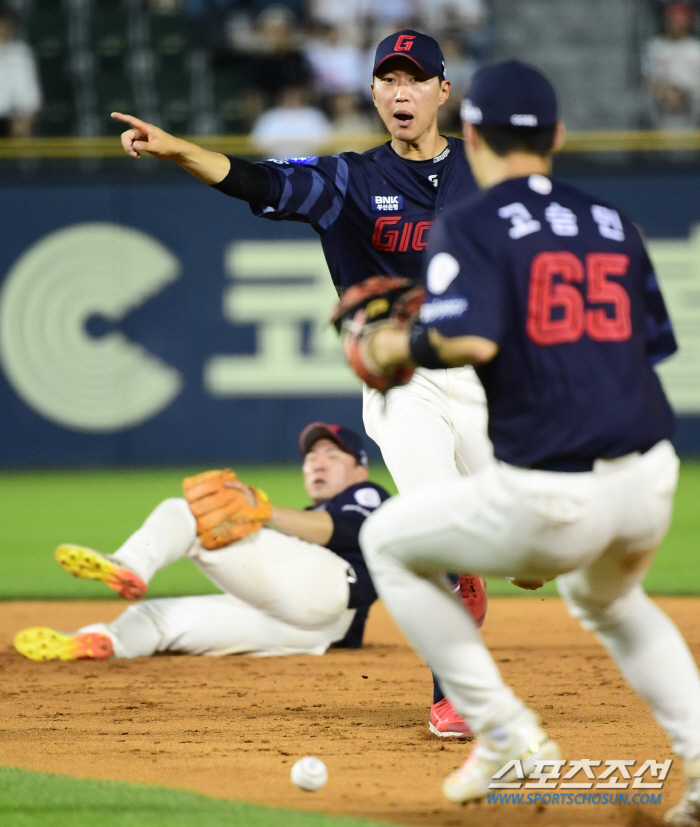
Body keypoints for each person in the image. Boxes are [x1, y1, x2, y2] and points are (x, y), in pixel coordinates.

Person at [110, 29, 490, 739]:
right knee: (436, 523)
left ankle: (481, 567)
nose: (400, 93)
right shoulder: (351, 180)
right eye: (388, 80)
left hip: (486, 380)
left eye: (415, 80)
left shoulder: (489, 173)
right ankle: (456, 689)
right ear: (373, 91)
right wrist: (182, 151)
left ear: (444, 90)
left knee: (531, 553)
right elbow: (261, 180)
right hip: (401, 381)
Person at [348, 60, 700, 824]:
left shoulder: (470, 222)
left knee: (390, 543)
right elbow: (650, 345)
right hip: (649, 478)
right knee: (612, 600)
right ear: (560, 136)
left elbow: (465, 337)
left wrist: (387, 349)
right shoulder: (612, 222)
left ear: (469, 133)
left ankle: (503, 730)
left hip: (558, 489)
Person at [15, 423, 388, 662]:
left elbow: (341, 529)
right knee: (155, 618)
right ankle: (101, 641)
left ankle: (130, 564)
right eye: (310, 456)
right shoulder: (306, 521)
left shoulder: (368, 495)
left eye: (331, 455)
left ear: (359, 469)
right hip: (308, 631)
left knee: (193, 514)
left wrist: (264, 510)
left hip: (334, 595)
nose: (317, 463)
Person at [642, 1, 700, 130]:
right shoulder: (656, 46)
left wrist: (683, 92)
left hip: (692, 100)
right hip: (662, 100)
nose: (676, 26)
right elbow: (648, 80)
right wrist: (667, 90)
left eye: (680, 22)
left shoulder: (696, 48)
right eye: (672, 21)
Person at [0, 8, 42, 138]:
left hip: (12, 121)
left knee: (22, 128)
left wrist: (24, 120)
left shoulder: (21, 53)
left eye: (6, 25)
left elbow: (32, 99)